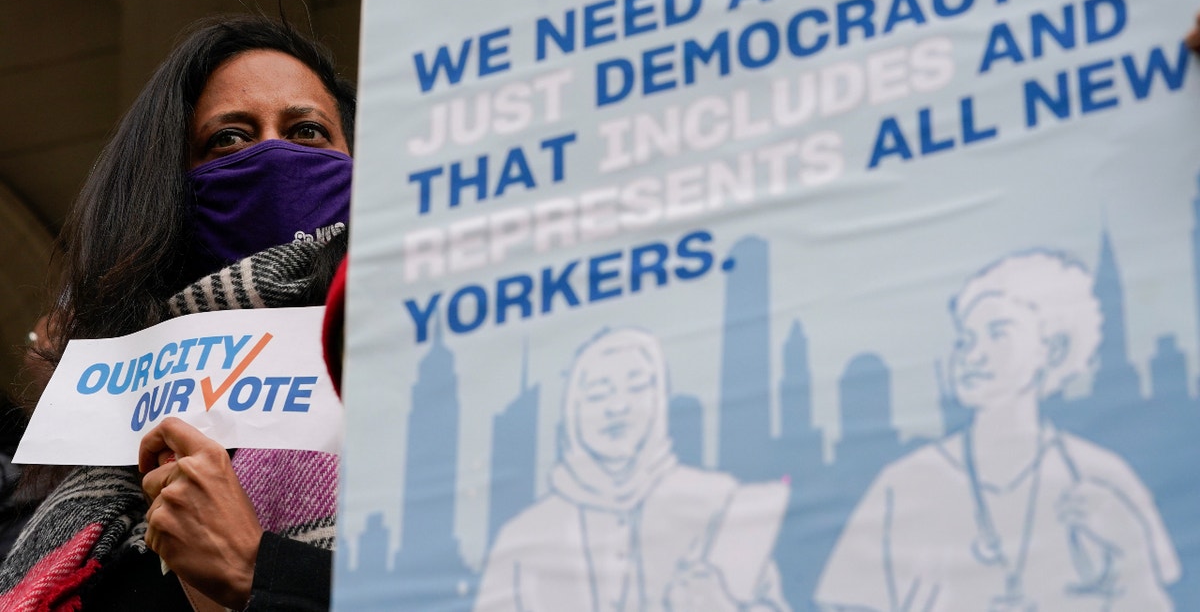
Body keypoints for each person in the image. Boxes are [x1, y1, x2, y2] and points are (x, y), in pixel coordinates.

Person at [0, 15, 355, 611]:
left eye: (308, 131)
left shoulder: (420, 378)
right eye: (230, 138)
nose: (272, 152)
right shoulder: (86, 467)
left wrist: (258, 568)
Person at [815, 251, 1179, 612]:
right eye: (964, 339)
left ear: (1052, 350)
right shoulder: (904, 484)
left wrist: (1132, 552)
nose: (971, 355)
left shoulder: (1103, 478)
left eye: (997, 335)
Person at [474, 327, 790, 612]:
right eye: (598, 394)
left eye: (636, 387)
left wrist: (725, 606)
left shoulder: (716, 502)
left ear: (660, 400)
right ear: (573, 411)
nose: (617, 407)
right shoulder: (524, 538)